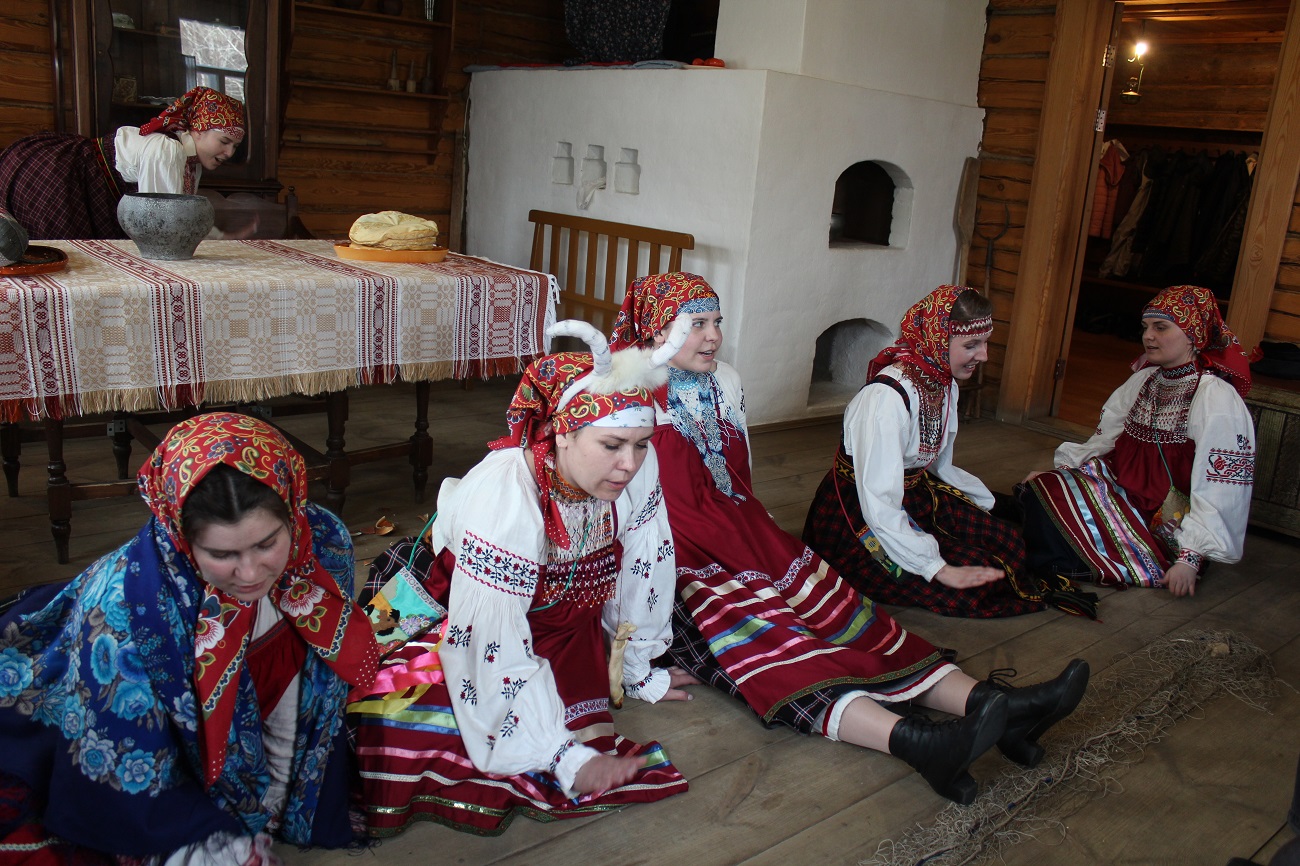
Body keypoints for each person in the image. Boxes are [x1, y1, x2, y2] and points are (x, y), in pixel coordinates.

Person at [606, 272, 1091, 805]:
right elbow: (616, 516)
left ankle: (1003, 709)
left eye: (716, 321)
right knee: (778, 643)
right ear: (656, 330)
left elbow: (739, 476)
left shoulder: (725, 380)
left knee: (847, 615)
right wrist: (637, 662)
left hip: (743, 533)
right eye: (696, 324)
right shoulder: (627, 396)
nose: (714, 336)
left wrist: (762, 531)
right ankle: (916, 743)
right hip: (674, 559)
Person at [348, 321, 699, 836]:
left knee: (576, 731)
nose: (629, 463)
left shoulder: (635, 467)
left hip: (564, 625)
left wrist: (637, 666)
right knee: (404, 720)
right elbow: (486, 634)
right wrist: (562, 756)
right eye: (611, 445)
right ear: (562, 433)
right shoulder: (507, 494)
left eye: (642, 444)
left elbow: (646, 560)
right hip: (459, 614)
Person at [0, 412, 381, 863]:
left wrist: (281, 795)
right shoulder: (125, 617)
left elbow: (312, 683)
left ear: (292, 509)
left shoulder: (321, 543)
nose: (250, 573)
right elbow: (134, 772)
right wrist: (221, 829)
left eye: (266, 544)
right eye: (221, 554)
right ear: (182, 535)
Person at [802, 285, 1096, 619]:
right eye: (971, 345)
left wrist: (988, 503)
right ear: (938, 340)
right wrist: (935, 567)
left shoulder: (942, 381)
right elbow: (879, 500)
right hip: (860, 511)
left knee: (1009, 543)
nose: (984, 356)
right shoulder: (885, 400)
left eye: (985, 342)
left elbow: (939, 465)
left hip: (914, 493)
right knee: (971, 584)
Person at [1018, 284, 1255, 597]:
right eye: (1145, 327)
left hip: (1164, 517)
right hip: (1122, 489)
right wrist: (1063, 474)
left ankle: (1081, 559)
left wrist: (1191, 556)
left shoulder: (1215, 397)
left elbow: (1221, 485)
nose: (1148, 336)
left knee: (1052, 535)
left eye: (1161, 327)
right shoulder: (1145, 379)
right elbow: (1105, 439)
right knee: (1041, 491)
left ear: (1193, 336)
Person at [0, 85, 245, 239]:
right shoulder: (167, 150)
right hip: (61, 177)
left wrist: (222, 237)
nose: (229, 152)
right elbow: (162, 226)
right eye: (224, 141)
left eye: (235, 146)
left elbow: (181, 218)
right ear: (198, 130)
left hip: (88, 189)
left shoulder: (192, 164)